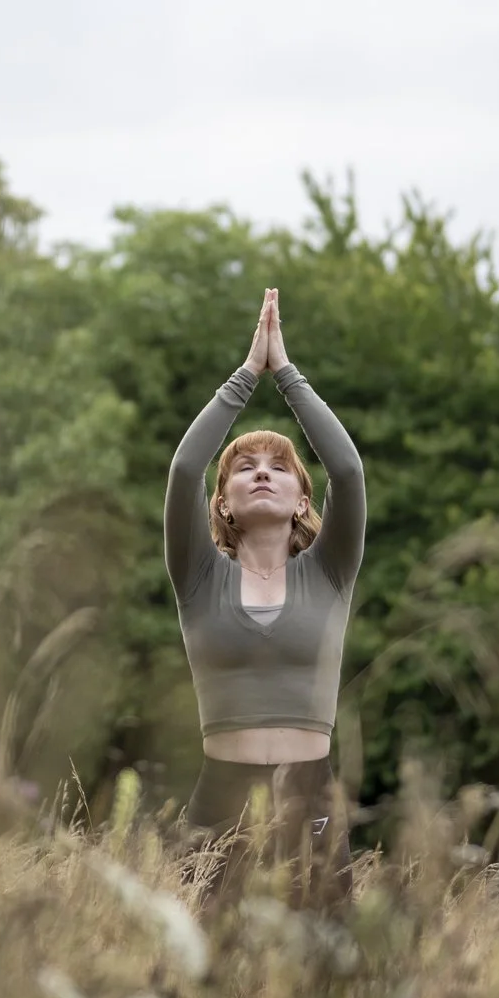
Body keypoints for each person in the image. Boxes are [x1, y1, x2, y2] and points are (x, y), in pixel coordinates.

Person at [165, 287, 366, 907]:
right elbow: (182, 472)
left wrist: (287, 373)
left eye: (278, 466)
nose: (260, 471)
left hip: (311, 797)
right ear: (221, 501)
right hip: (221, 795)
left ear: (303, 501)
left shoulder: (329, 572)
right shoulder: (199, 575)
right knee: (211, 979)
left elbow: (349, 472)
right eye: (244, 466)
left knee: (319, 983)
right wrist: (248, 373)